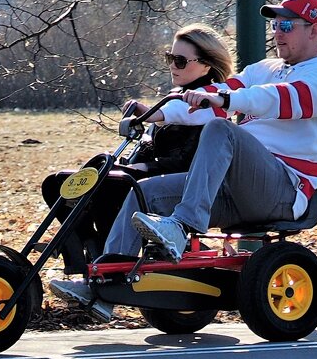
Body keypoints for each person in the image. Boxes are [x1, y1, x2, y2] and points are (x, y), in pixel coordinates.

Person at [52, 0, 317, 309]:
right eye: (274, 24)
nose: (277, 32)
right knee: (144, 191)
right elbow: (220, 91)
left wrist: (226, 101)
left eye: (287, 25)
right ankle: (104, 285)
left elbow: (275, 99)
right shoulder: (267, 68)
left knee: (222, 130)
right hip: (237, 191)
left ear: (314, 30)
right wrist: (157, 114)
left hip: (284, 191)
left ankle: (184, 226)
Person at [46, 24, 233, 290]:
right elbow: (164, 123)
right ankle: (87, 257)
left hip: (180, 180)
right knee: (57, 184)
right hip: (152, 169)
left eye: (180, 60)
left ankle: (109, 269)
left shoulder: (213, 99)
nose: (173, 66)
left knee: (113, 183)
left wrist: (151, 113)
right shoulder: (175, 97)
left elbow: (187, 113)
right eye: (170, 58)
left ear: (206, 65)